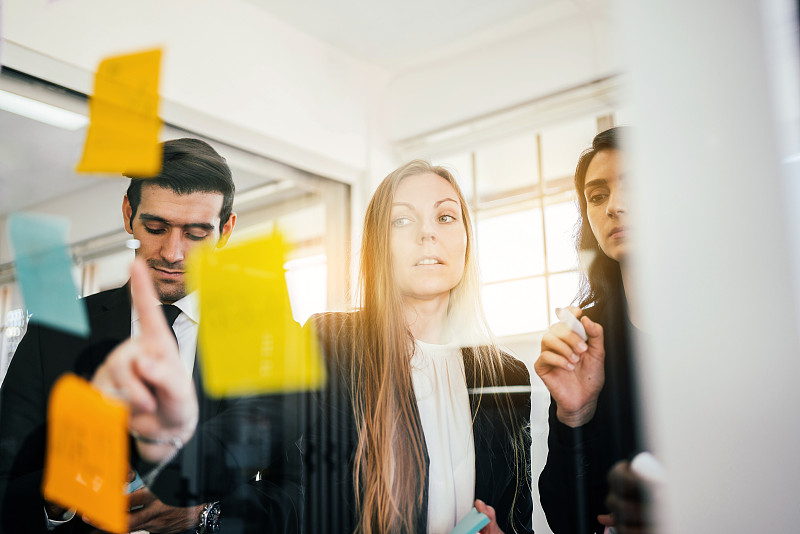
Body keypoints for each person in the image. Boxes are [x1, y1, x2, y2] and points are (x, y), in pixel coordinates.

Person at [93, 160, 534, 534]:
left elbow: (519, 518)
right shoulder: (330, 344)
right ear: (379, 243)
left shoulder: (507, 376)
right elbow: (290, 493)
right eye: (402, 220)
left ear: (466, 238)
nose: (427, 235)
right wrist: (206, 510)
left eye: (445, 217)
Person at [0, 138, 297, 534]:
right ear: (128, 214)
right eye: (156, 228)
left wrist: (208, 513)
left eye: (196, 234)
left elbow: (303, 493)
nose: (173, 253)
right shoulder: (53, 333)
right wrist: (56, 497)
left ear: (225, 230)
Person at [534, 127, 652, 534]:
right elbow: (565, 519)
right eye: (597, 196)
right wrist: (574, 415)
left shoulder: (742, 320)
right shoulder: (583, 336)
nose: (614, 206)